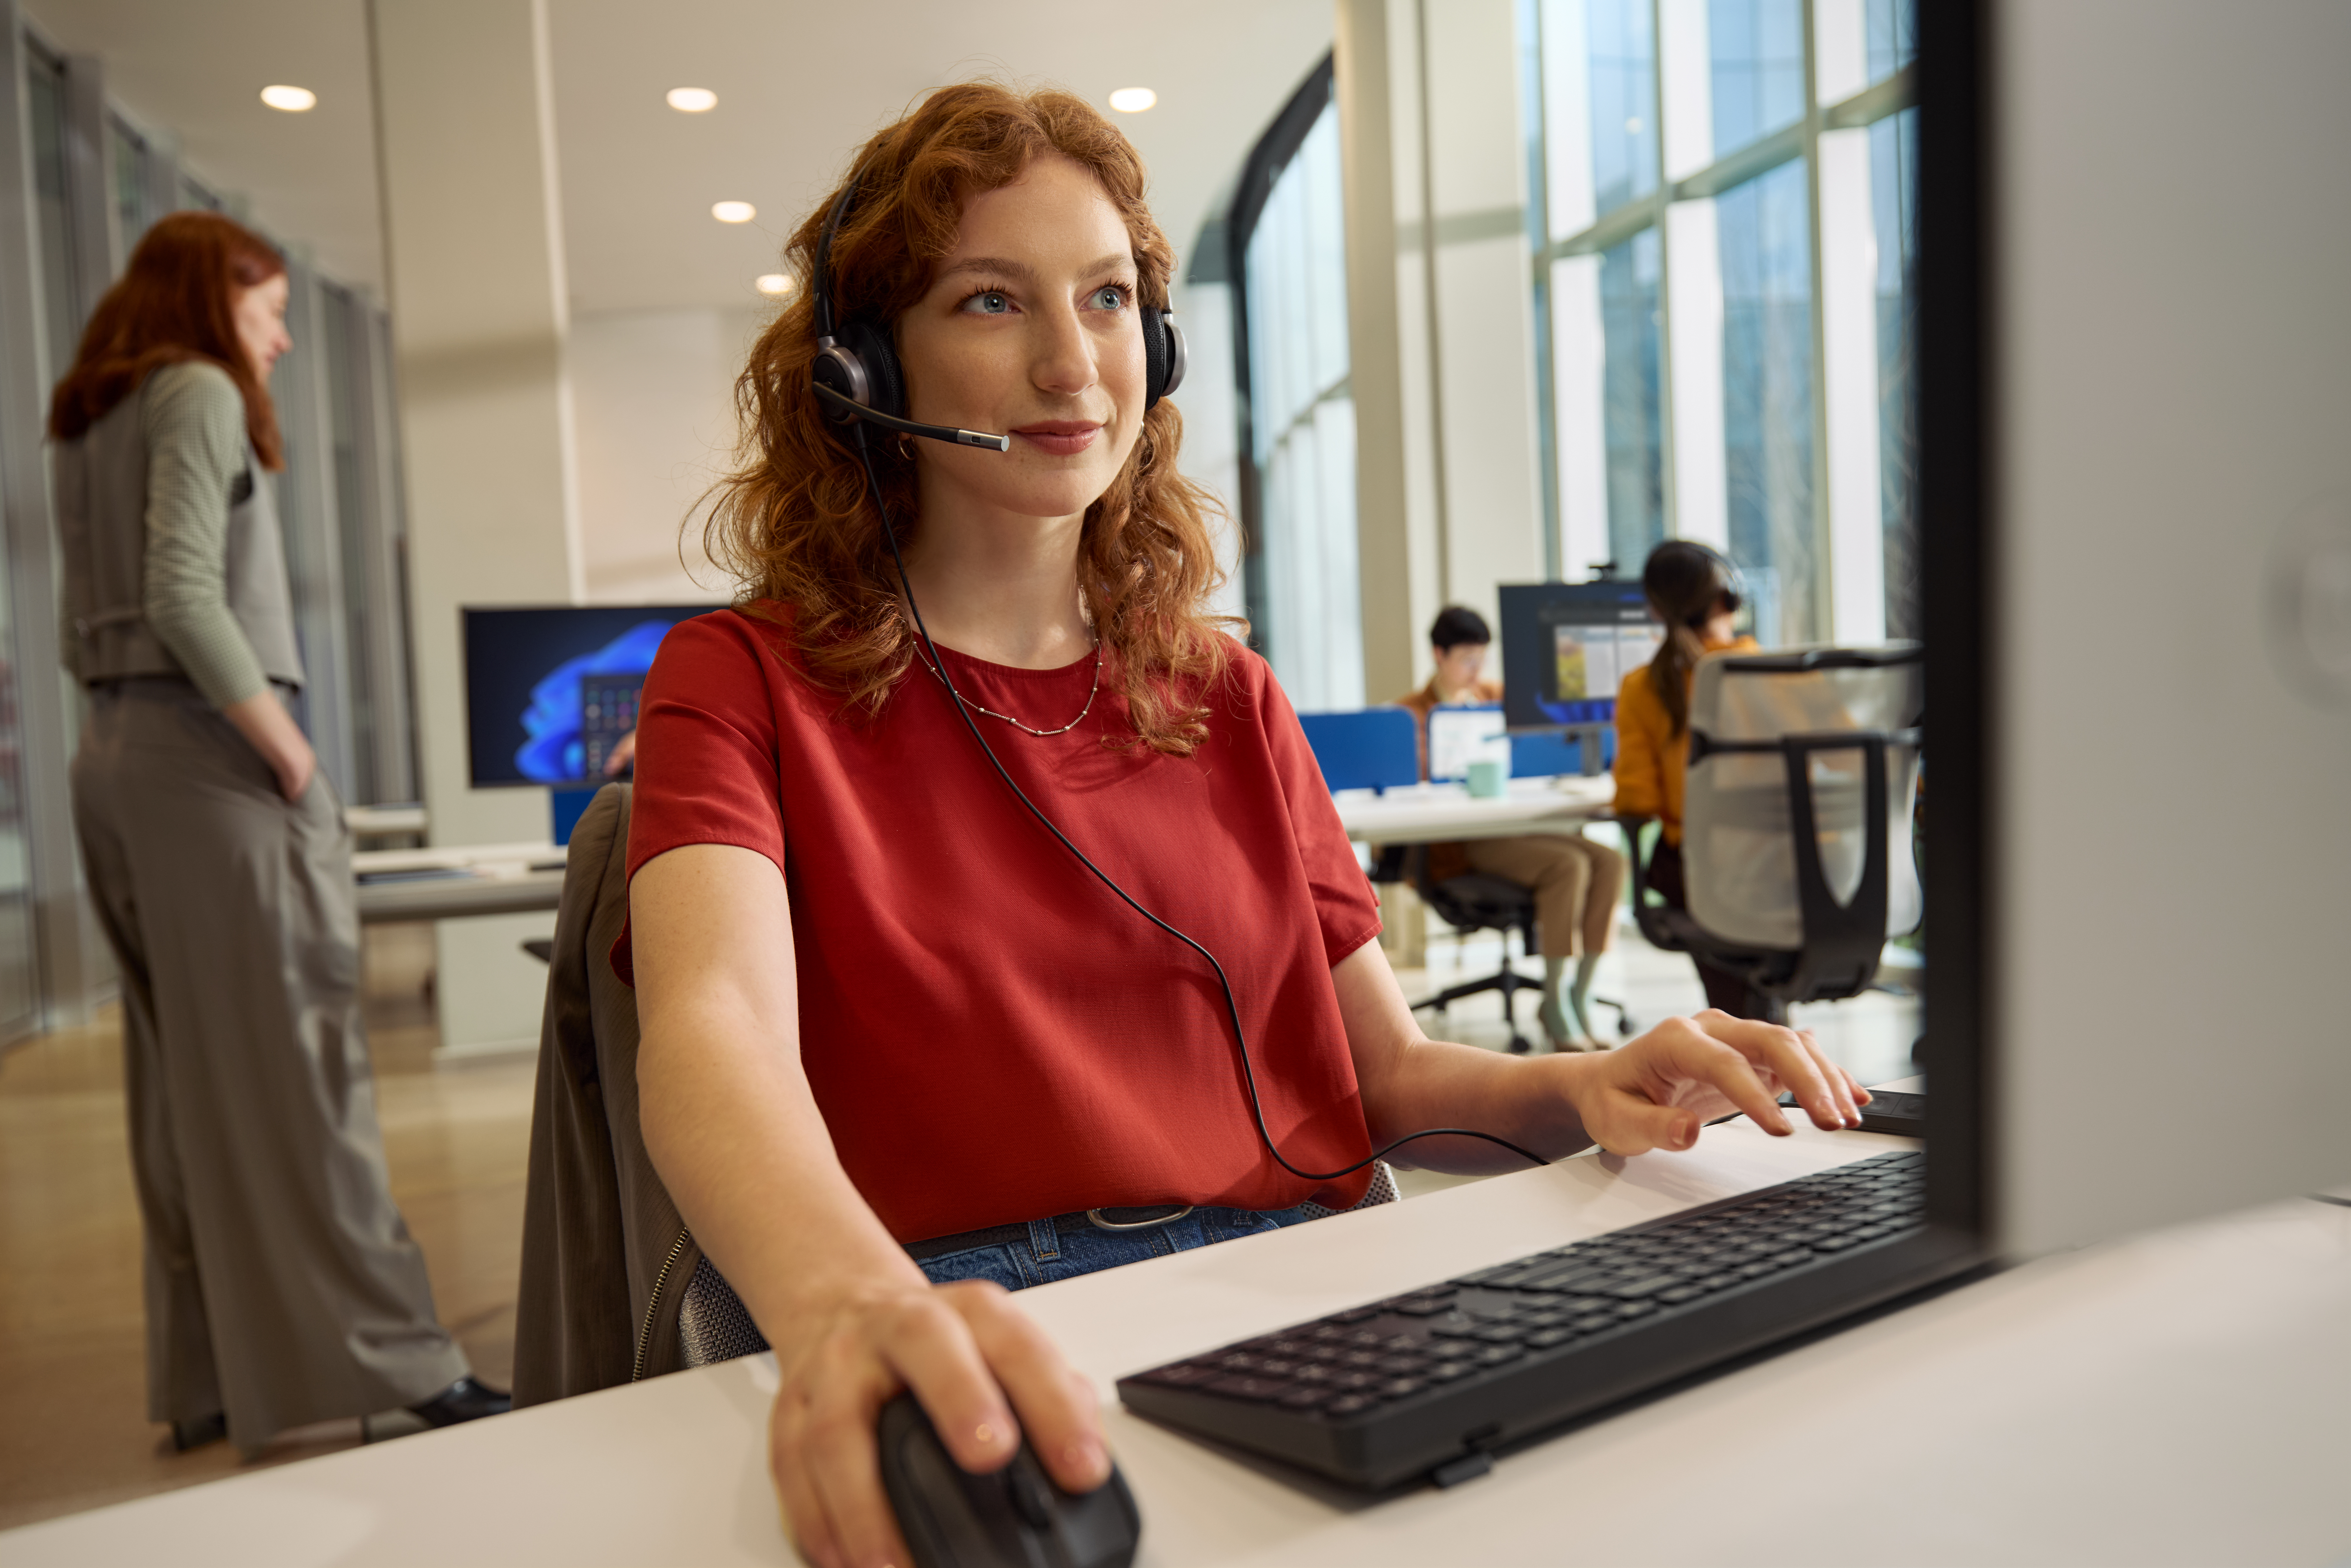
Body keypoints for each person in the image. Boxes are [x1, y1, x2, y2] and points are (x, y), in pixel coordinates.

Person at [622, 84, 1867, 1568]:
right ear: (863, 366)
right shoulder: (746, 675)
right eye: (987, 299)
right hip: (967, 1318)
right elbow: (712, 1034)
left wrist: (1593, 1078)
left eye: (1104, 298)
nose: (1068, 359)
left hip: (1313, 1292)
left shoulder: (1226, 693)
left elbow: (1382, 1071)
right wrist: (849, 1307)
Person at [52, 212, 505, 1456]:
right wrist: (287, 749)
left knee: (181, 1087)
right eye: (269, 311)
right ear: (212, 299)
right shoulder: (194, 389)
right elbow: (184, 590)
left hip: (110, 758)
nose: (286, 337)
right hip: (210, 759)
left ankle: (206, 1373)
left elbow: (86, 613)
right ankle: (400, 1358)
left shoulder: (89, 415)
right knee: (303, 1073)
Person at [1395, 605, 1625, 1048]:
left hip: (1517, 826)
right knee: (1569, 866)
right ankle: (1554, 1001)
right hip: (1466, 842)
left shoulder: (1499, 699)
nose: (1475, 669)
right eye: (1466, 659)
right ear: (1439, 654)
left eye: (1481, 659)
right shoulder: (1411, 715)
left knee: (1610, 861)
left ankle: (1581, 992)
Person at [1612, 540, 1770, 1019]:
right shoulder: (1768, 670)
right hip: (1780, 864)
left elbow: (1637, 799)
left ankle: (1745, 1029)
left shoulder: (1644, 687)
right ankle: (1760, 1030)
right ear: (1729, 602)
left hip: (1703, 873)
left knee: (1675, 864)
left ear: (1655, 610)